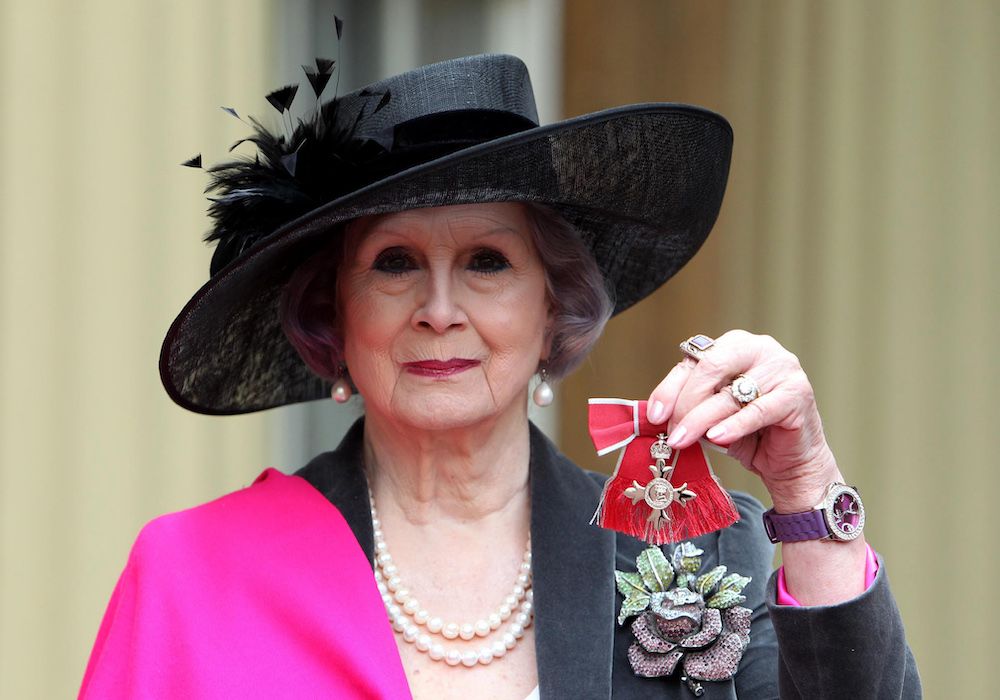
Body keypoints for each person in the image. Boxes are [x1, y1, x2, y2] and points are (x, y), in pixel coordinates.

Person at [80, 52, 921, 699]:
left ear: (552, 308)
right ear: (334, 315)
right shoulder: (194, 577)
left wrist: (808, 490)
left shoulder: (698, 555)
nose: (439, 308)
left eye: (487, 261)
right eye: (395, 262)